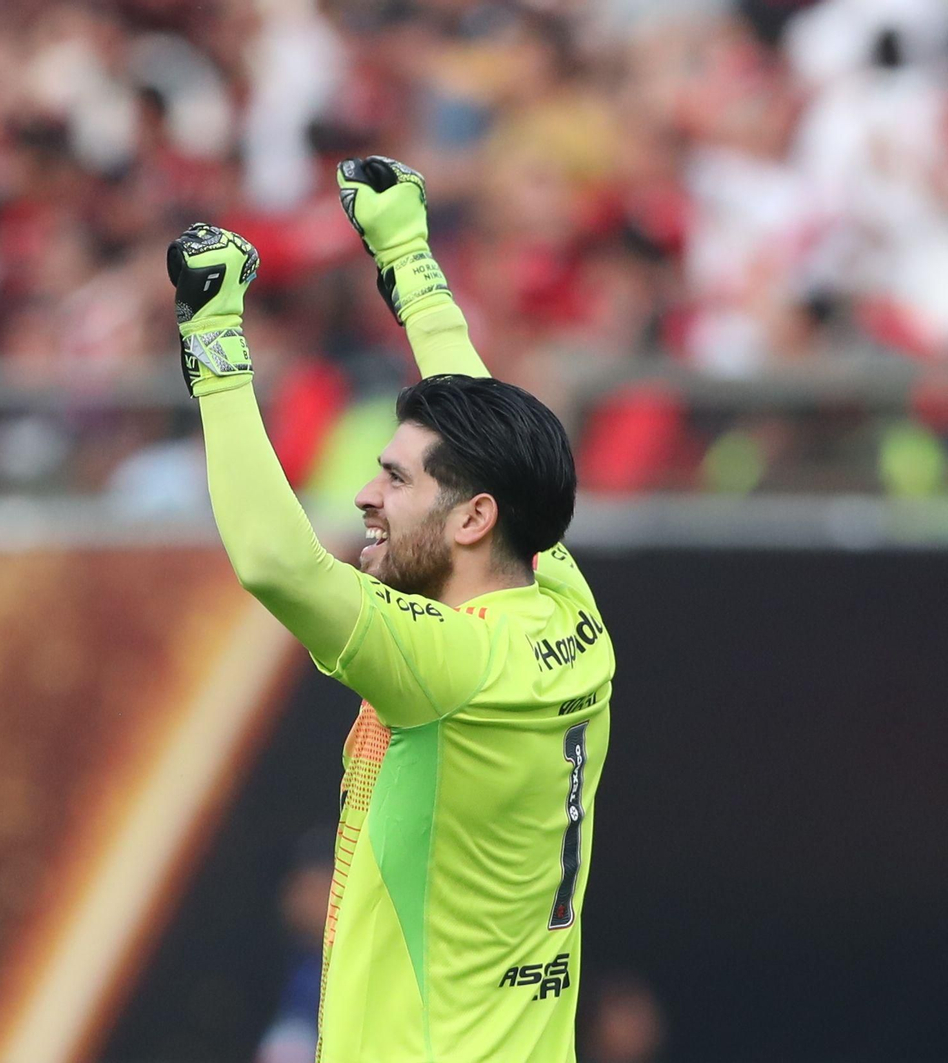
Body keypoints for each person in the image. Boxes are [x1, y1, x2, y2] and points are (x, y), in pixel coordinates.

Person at [167, 157, 616, 1063]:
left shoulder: (452, 665)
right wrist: (409, 259)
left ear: (473, 519)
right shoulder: (562, 599)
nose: (366, 496)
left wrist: (212, 337)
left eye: (395, 480)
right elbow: (491, 431)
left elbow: (278, 563)